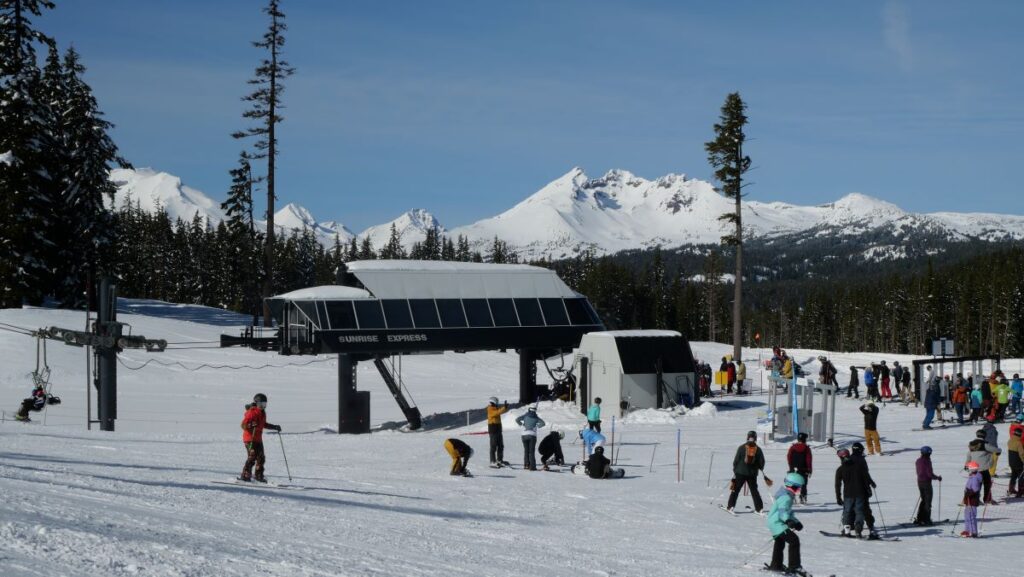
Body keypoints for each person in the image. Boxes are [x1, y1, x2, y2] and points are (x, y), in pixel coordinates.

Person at [765, 472, 806, 574]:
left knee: (780, 541)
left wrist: (796, 522)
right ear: (792, 486)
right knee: (794, 540)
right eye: (797, 488)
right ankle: (794, 566)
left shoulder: (786, 495)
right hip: (778, 523)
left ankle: (776, 565)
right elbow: (783, 512)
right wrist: (788, 520)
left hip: (774, 523)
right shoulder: (786, 497)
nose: (799, 490)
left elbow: (788, 512)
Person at [836, 444, 878, 539]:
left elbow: (837, 484)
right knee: (862, 510)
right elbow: (865, 475)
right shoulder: (859, 462)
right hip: (861, 491)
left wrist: (838, 497)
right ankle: (864, 528)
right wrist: (870, 485)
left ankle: (848, 529)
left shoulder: (843, 466)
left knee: (848, 511)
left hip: (849, 493)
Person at [240, 393, 281, 483]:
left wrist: (274, 427)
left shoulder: (262, 413)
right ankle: (245, 475)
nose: (263, 406)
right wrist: (251, 425)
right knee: (252, 457)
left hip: (258, 439)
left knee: (261, 457)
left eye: (264, 404)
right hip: (249, 438)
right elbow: (243, 425)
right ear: (256, 403)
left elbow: (263, 424)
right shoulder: (251, 412)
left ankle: (259, 475)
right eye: (261, 404)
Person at [726, 431, 770, 514]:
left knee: (736, 489)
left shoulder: (742, 447)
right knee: (754, 491)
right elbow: (762, 462)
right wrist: (759, 468)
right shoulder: (758, 449)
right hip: (752, 474)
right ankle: (759, 508)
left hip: (740, 473)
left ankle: (730, 506)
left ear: (747, 437)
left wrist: (735, 470)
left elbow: (736, 461)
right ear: (755, 438)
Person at [965, 430, 999, 504]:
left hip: (974, 468)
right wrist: (999, 451)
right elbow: (995, 449)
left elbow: (969, 455)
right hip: (983, 467)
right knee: (987, 483)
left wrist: (966, 465)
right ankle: (987, 499)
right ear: (984, 435)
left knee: (976, 484)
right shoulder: (985, 444)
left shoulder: (971, 444)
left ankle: (975, 499)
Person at [914, 446, 942, 525]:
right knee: (927, 501)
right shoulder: (927, 461)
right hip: (926, 482)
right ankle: (926, 519)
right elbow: (929, 474)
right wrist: (937, 478)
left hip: (920, 482)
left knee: (923, 500)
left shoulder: (918, 460)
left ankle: (920, 518)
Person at [515, 406, 545, 471]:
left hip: (524, 435)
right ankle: (532, 467)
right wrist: (537, 426)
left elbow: (517, 419)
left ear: (529, 410)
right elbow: (543, 423)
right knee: (531, 451)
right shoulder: (536, 417)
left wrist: (521, 424)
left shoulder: (525, 416)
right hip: (532, 435)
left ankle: (526, 465)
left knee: (526, 450)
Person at [787, 432, 813, 504]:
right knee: (804, 484)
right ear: (804, 439)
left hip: (794, 469)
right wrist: (809, 470)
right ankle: (803, 498)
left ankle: (792, 498)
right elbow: (809, 460)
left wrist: (791, 466)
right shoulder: (806, 448)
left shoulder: (792, 447)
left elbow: (789, 457)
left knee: (793, 483)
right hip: (804, 469)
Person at [487, 397, 510, 468]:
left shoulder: (496, 408)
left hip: (498, 429)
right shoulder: (490, 409)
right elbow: (496, 413)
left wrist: (505, 407)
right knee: (493, 446)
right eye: (497, 402)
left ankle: (500, 460)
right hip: (493, 430)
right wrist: (503, 408)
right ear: (493, 402)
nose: (497, 403)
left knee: (500, 446)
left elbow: (499, 411)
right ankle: (492, 461)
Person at [961, 461, 982, 538]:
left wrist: (968, 493)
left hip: (972, 500)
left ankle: (973, 532)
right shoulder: (972, 476)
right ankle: (967, 530)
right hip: (968, 499)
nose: (968, 471)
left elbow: (975, 489)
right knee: (967, 516)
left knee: (971, 516)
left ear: (972, 469)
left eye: (969, 469)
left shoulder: (975, 478)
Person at [1008, 427, 1024, 498]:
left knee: (1013, 475)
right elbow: (1022, 454)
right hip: (1018, 462)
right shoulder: (1018, 443)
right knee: (1021, 477)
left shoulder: (1010, 441)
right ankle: (1020, 491)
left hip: (1011, 462)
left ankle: (1011, 489)